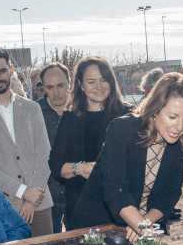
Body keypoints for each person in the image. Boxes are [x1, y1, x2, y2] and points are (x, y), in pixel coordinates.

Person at [67, 72, 183, 238]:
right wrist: (144, 230)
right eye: (172, 117)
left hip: (145, 223)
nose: (179, 127)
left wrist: (143, 223)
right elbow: (116, 191)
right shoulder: (122, 130)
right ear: (155, 109)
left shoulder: (181, 143)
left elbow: (169, 193)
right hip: (99, 225)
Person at [0, 48, 54, 237]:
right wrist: (23, 192)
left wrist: (31, 198)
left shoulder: (32, 108)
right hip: (3, 208)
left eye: (2, 71)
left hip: (39, 203)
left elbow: (45, 156)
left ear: (11, 69)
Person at [49, 56, 132, 225]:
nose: (99, 87)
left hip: (121, 209)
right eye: (91, 81)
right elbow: (56, 165)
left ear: (111, 81)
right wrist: (79, 168)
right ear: (80, 84)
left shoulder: (128, 114)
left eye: (104, 80)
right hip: (80, 208)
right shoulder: (70, 117)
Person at [38, 62, 70, 232]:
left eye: (61, 86)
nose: (56, 93)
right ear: (43, 87)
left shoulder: (82, 108)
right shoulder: (34, 111)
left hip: (77, 194)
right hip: (46, 195)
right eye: (50, 87)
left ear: (69, 83)